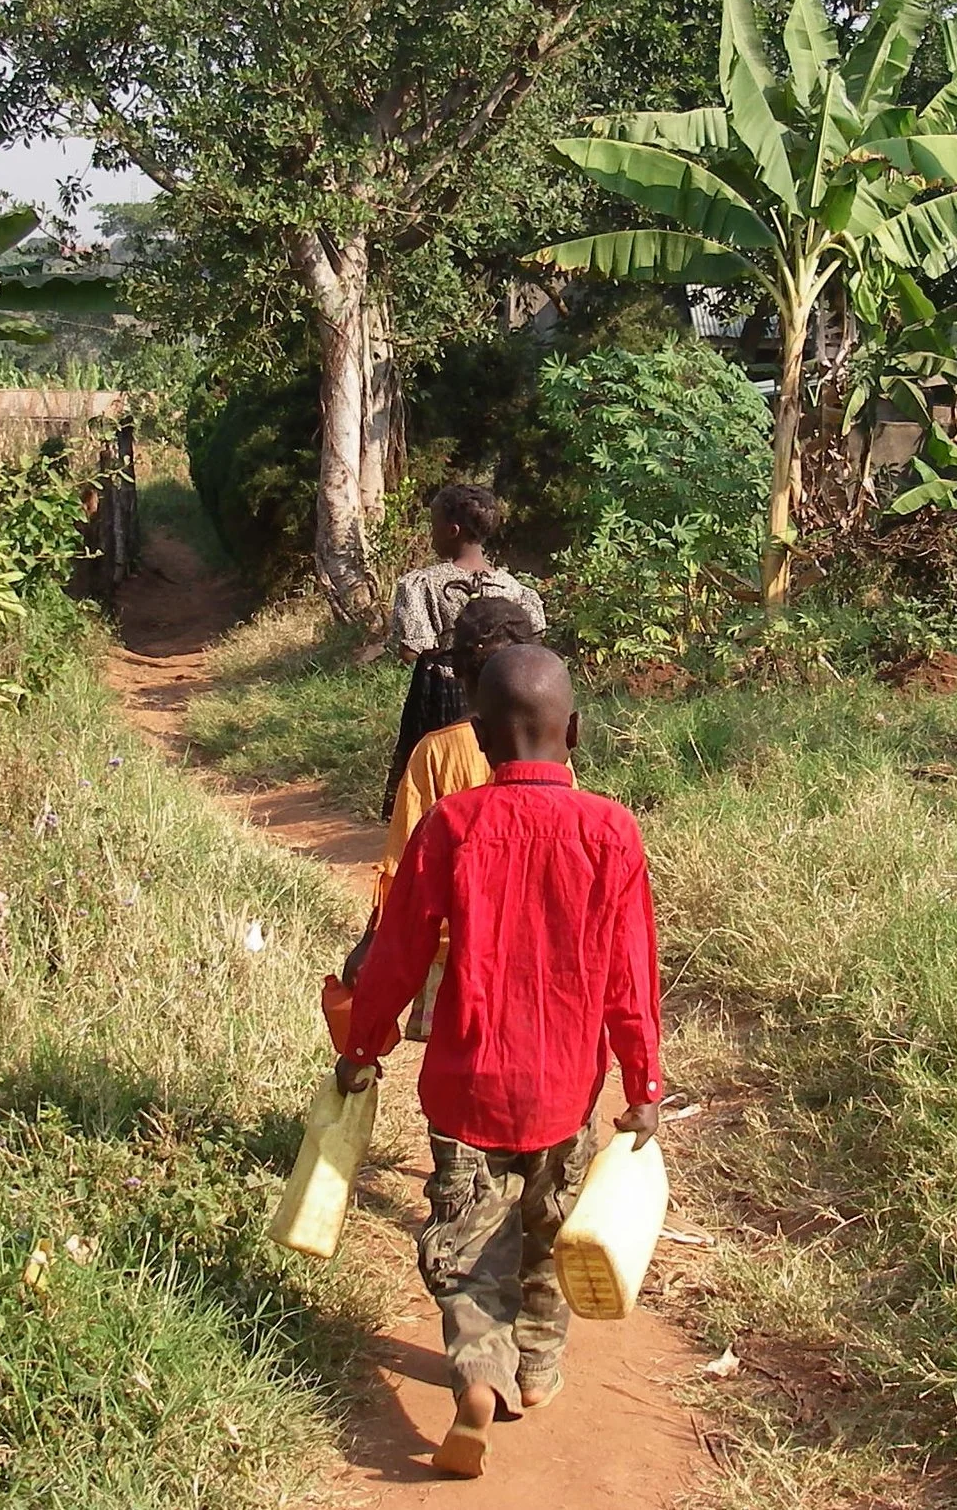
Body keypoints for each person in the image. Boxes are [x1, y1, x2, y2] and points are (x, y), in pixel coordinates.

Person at [340, 645, 663, 1480]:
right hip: (565, 1088)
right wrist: (644, 1087)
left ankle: (477, 1373)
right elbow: (632, 973)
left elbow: (401, 951)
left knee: (464, 1239)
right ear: (576, 731)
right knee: (550, 1234)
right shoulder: (612, 830)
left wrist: (362, 1045)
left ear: (478, 737)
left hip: (465, 1085)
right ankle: (539, 1367)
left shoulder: (453, 825)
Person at [341, 596, 543, 1039]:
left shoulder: (435, 752)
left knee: (454, 1078)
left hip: (453, 957)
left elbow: (401, 869)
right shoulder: (554, 756)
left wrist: (372, 941)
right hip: (533, 953)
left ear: (462, 678)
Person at [382, 484, 545, 819]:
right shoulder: (516, 588)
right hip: (503, 692)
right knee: (495, 765)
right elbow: (531, 646)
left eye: (433, 525)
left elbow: (410, 651)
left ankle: (431, 830)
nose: (431, 533)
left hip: (441, 692)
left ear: (452, 530)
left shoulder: (422, 584)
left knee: (437, 768)